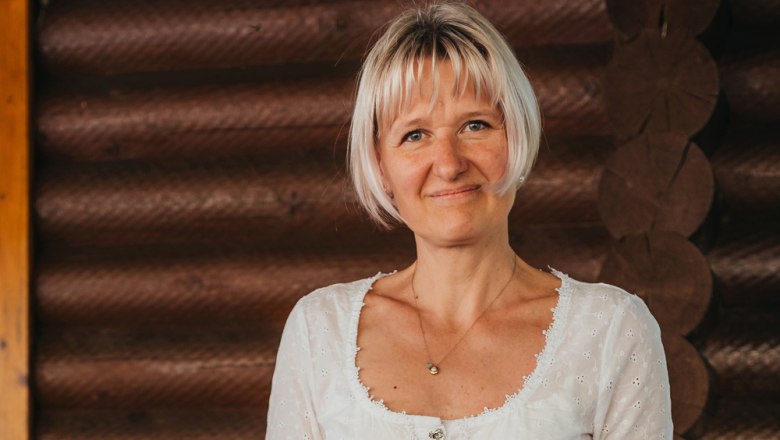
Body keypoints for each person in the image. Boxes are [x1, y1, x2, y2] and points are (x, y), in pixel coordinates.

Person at [266, 2, 673, 438]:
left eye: (475, 125)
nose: (449, 164)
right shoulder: (318, 330)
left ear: (515, 136)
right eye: (415, 135)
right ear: (380, 165)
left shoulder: (611, 330)